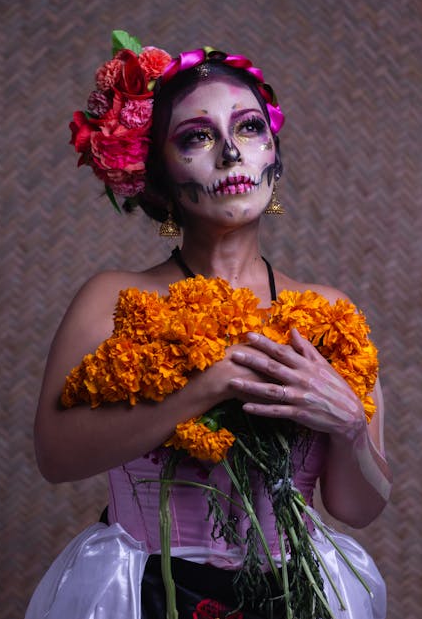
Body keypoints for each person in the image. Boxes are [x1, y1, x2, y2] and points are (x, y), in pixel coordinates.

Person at [26, 32, 392, 619]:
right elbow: (55, 458)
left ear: (275, 153)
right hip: (141, 591)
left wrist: (350, 427)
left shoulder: (328, 312)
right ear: (160, 174)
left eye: (248, 128)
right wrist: (208, 384)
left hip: (293, 597)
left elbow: (358, 508)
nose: (230, 154)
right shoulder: (112, 298)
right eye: (197, 137)